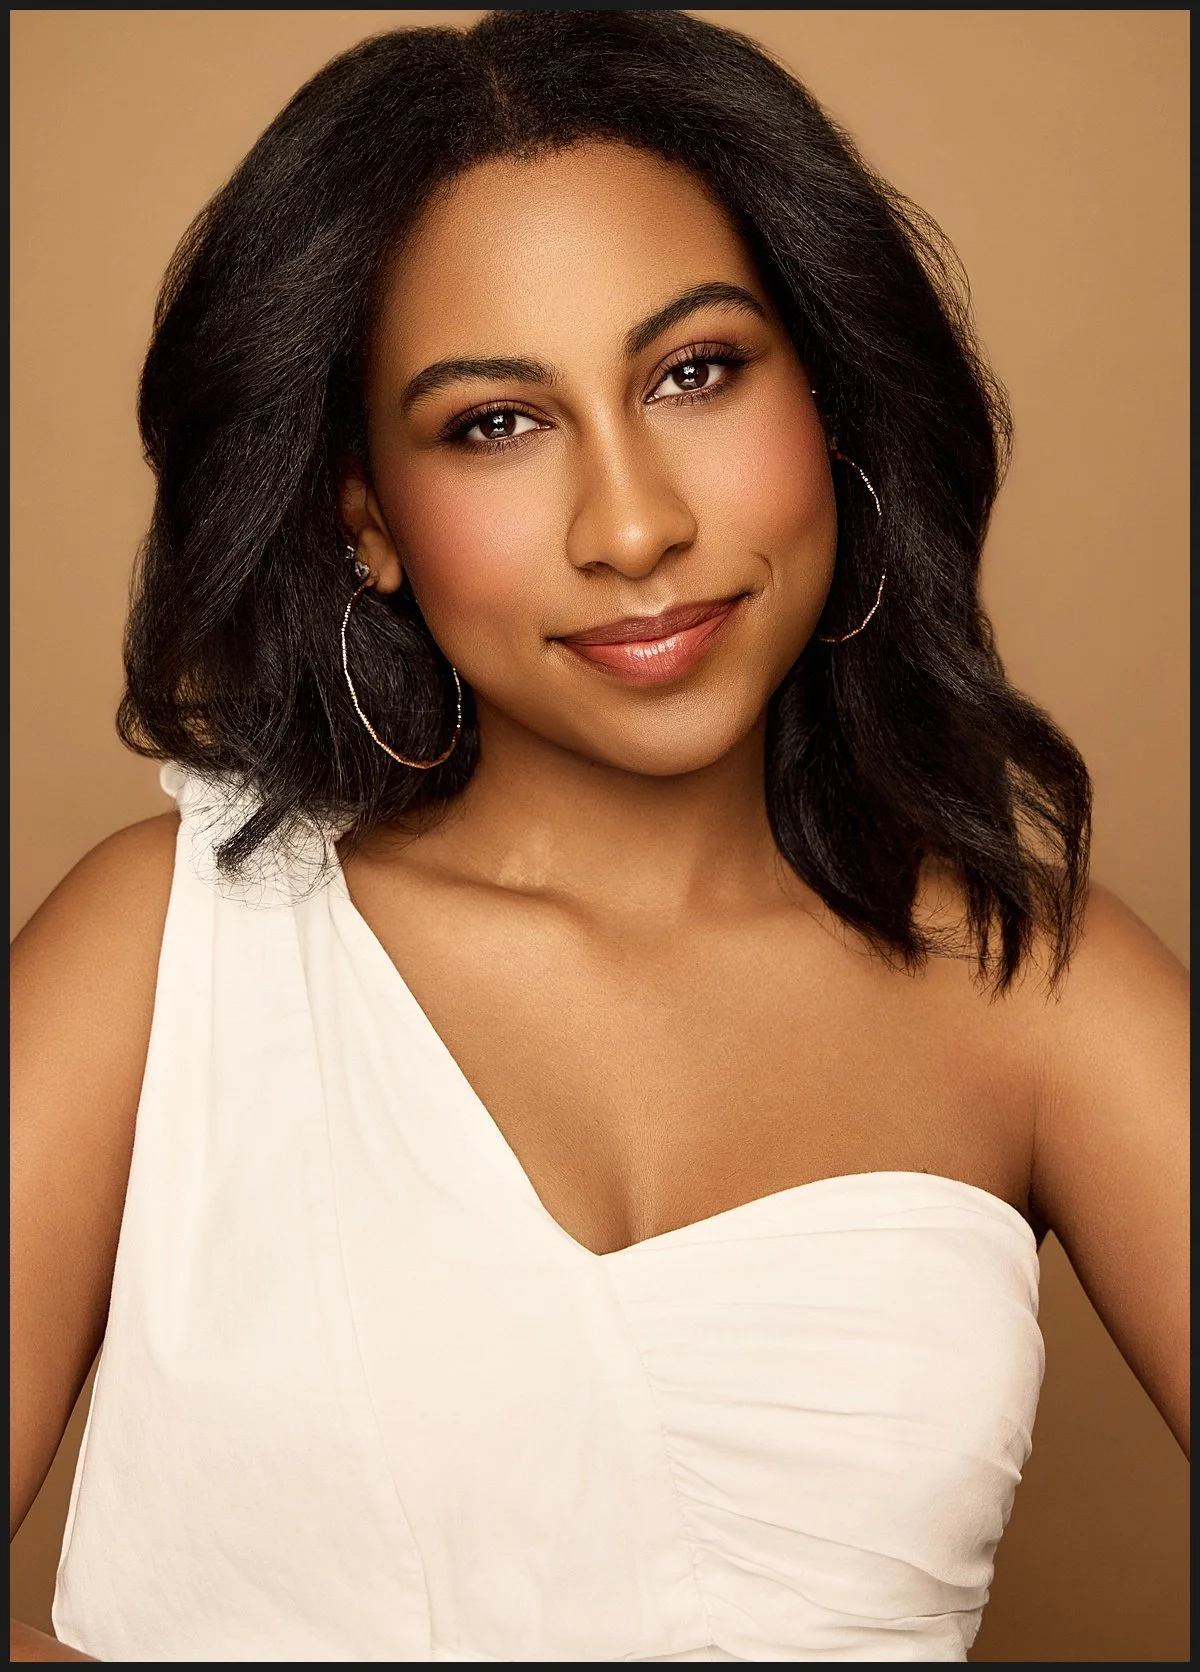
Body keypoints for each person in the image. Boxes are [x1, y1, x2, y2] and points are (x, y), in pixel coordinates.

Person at [10, 9, 1188, 1663]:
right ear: (367, 514)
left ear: (831, 396)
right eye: (496, 421)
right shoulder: (160, 955)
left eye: (696, 372)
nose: (633, 524)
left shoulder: (1034, 986)